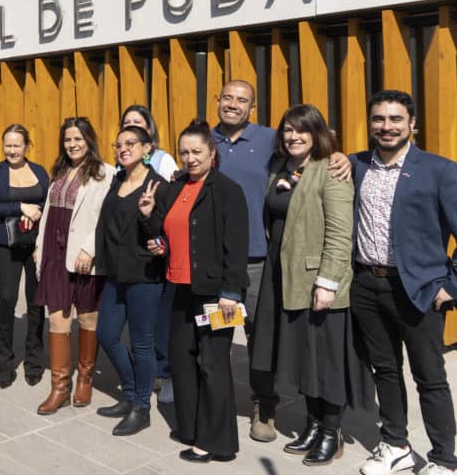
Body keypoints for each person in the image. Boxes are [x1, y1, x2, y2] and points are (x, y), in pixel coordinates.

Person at [350, 90, 457, 475]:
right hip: (366, 285)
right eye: (379, 119)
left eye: (396, 119)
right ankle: (395, 445)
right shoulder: (356, 165)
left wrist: (455, 286)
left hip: (419, 292)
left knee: (429, 377)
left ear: (413, 124)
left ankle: (443, 459)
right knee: (385, 369)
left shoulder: (438, 170)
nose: (387, 126)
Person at [212, 79, 350, 442]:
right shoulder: (203, 140)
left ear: (252, 108)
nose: (233, 104)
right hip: (216, 262)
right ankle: (217, 401)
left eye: (242, 100)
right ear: (218, 101)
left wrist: (340, 155)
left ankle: (264, 405)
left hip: (258, 261)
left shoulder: (270, 140)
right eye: (227, 97)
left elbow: (314, 149)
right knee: (217, 333)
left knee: (261, 338)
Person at [251, 104, 373, 465]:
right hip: (282, 274)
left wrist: (328, 281)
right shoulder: (280, 167)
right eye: (287, 130)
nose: (293, 136)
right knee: (303, 356)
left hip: (317, 278)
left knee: (327, 358)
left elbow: (339, 232)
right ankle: (314, 422)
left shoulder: (331, 170)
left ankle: (332, 431)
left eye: (301, 130)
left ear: (316, 133)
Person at [141, 120, 249, 462]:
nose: (190, 158)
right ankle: (190, 426)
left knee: (213, 365)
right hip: (181, 288)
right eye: (184, 152)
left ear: (212, 153)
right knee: (182, 359)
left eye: (197, 152)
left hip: (216, 293)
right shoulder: (174, 188)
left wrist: (231, 292)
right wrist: (149, 222)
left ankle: (216, 442)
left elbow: (237, 244)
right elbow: (162, 230)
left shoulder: (227, 190)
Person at [33, 117, 114, 415]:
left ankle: (85, 379)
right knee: (57, 321)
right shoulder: (60, 171)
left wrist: (89, 250)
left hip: (83, 256)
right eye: (68, 139)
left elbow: (105, 218)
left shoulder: (105, 174)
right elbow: (48, 213)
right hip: (54, 254)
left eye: (78, 139)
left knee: (88, 319)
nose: (73, 144)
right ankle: (59, 387)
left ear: (89, 140)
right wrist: (39, 248)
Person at [94, 125, 168, 436]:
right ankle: (131, 390)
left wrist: (149, 218)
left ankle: (141, 407)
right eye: (119, 143)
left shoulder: (158, 185)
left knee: (141, 343)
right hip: (116, 272)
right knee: (107, 334)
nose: (123, 148)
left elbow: (163, 233)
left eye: (131, 143)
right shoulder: (119, 179)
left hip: (144, 274)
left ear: (146, 148)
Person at [0, 124, 49, 388]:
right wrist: (21, 206)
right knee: (7, 300)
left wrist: (38, 211)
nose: (12, 150)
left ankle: (34, 362)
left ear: (26, 146)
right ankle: (4, 362)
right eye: (8, 145)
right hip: (8, 245)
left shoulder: (40, 171)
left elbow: (48, 201)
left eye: (17, 145)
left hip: (35, 247)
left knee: (36, 304)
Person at [120, 104, 177, 404]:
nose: (132, 127)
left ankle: (166, 374)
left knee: (160, 320)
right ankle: (149, 372)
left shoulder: (162, 160)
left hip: (157, 251)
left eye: (138, 123)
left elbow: (169, 205)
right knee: (140, 324)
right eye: (127, 123)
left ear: (149, 132)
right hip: (129, 257)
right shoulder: (120, 163)